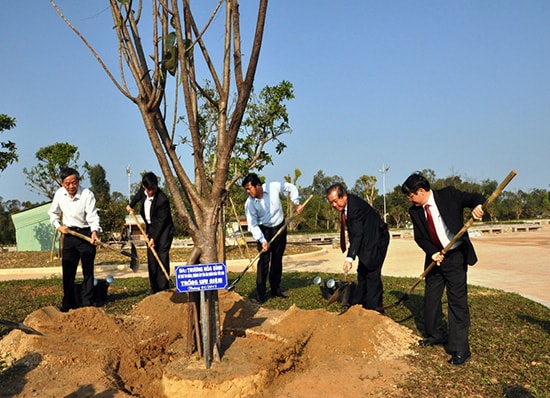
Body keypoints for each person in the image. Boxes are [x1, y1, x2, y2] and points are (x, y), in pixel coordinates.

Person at [401, 172, 485, 365]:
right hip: (435, 258)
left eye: (411, 195)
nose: (410, 199)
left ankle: (460, 349)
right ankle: (436, 334)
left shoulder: (448, 195)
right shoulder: (414, 211)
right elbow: (420, 237)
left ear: (421, 191)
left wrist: (478, 206)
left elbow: (474, 198)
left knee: (457, 302)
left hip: (455, 256)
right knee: (431, 298)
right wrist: (432, 252)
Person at [325, 183, 389, 312]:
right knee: (362, 273)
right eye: (331, 202)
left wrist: (350, 258)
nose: (333, 205)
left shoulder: (354, 208)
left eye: (335, 201)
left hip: (376, 241)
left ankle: (374, 310)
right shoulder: (348, 205)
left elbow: (358, 234)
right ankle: (360, 305)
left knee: (372, 274)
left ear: (344, 196)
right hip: (367, 241)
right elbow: (356, 233)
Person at [242, 173, 304, 303]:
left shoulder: (273, 187)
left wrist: (296, 203)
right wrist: (262, 240)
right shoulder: (250, 204)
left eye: (249, 188)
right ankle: (261, 293)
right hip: (263, 231)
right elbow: (252, 225)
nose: (248, 192)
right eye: (246, 189)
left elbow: (291, 188)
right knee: (264, 262)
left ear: (258, 185)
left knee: (277, 260)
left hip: (280, 227)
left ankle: (276, 289)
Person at [49, 167, 101, 312]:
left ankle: (87, 302)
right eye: (67, 183)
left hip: (85, 235)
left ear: (78, 181)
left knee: (88, 270)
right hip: (69, 235)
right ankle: (68, 303)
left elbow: (92, 215)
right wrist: (59, 227)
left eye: (74, 182)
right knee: (68, 271)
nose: (71, 186)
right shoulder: (59, 194)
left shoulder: (87, 194)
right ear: (62, 184)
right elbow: (53, 213)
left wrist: (94, 232)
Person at [127, 172, 174, 293]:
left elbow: (160, 222)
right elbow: (138, 196)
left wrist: (153, 238)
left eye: (153, 189)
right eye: (148, 189)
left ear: (156, 186)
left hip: (164, 230)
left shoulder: (162, 200)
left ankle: (163, 288)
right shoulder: (143, 191)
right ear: (144, 187)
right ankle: (154, 288)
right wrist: (130, 205)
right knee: (152, 258)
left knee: (161, 256)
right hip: (150, 227)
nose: (151, 191)